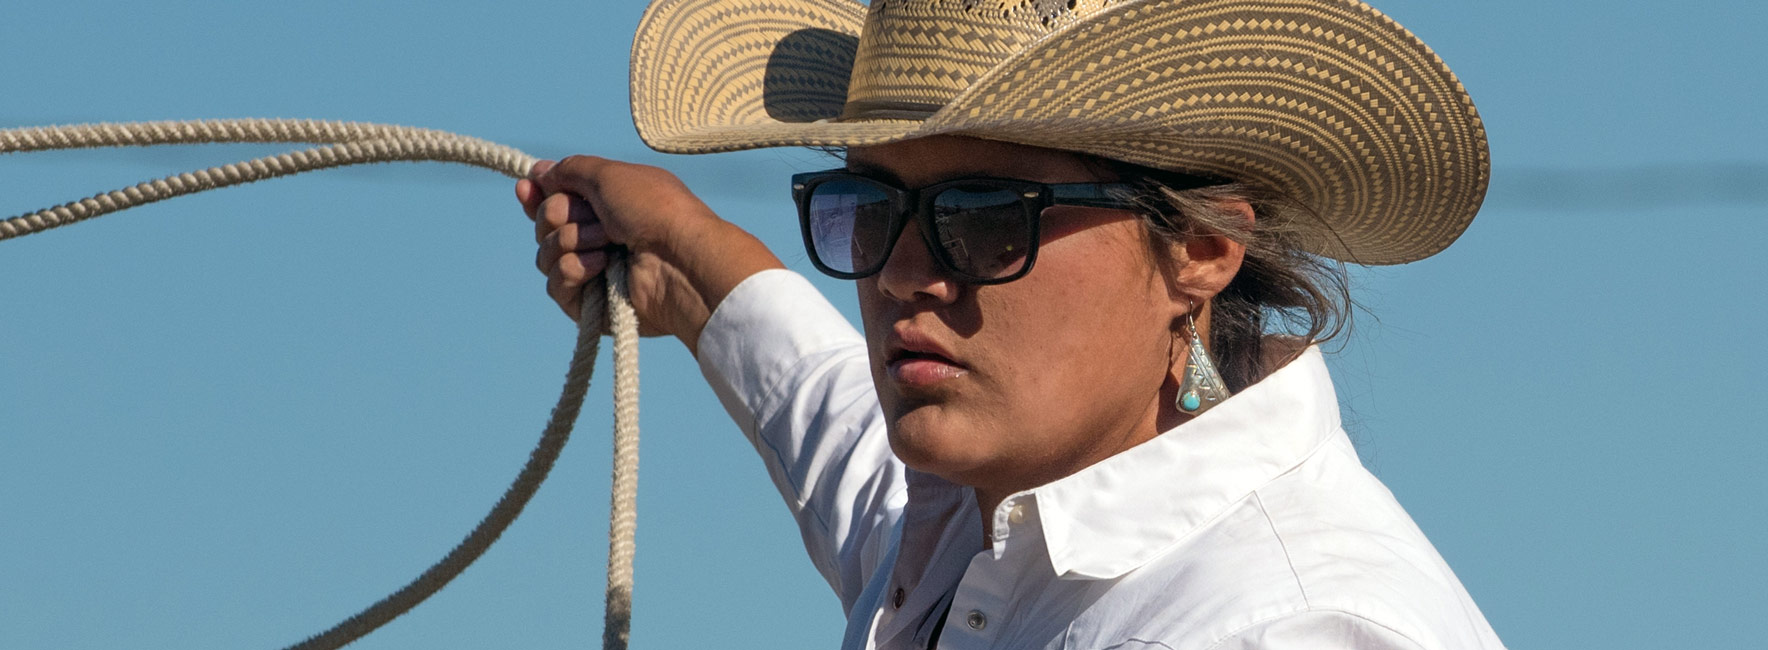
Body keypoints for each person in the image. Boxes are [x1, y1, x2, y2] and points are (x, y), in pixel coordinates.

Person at [516, 0, 1505, 647]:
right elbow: (852, 453)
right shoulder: (997, 502)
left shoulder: (1287, 624)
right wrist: (692, 264)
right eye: (872, 205)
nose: (904, 273)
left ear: (1199, 249)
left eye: (985, 219)